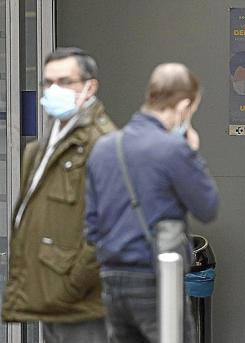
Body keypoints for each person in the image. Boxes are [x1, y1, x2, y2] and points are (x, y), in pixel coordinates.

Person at [85, 63, 219, 343]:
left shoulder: (105, 148)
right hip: (157, 279)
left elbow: (90, 225)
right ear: (184, 104)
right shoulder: (173, 149)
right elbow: (207, 207)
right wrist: (192, 153)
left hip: (110, 279)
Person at [2, 47, 116, 342]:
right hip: (50, 295)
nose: (54, 90)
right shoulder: (42, 148)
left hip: (82, 302)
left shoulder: (105, 146)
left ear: (90, 87)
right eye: (48, 82)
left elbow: (108, 231)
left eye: (65, 82)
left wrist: (71, 285)